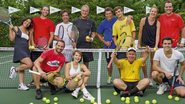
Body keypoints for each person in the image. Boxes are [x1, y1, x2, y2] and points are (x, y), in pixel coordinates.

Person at [28, 5, 55, 87]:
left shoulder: (51, 22)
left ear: (48, 12)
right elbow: (31, 33)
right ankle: (34, 81)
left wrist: (48, 45)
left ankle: (43, 81)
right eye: (44, 10)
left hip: (45, 49)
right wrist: (32, 44)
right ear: (41, 10)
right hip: (35, 48)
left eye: (47, 10)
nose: (45, 11)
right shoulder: (34, 20)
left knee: (44, 65)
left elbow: (51, 35)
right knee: (33, 65)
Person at [8, 17, 33, 90]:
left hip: (26, 51)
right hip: (19, 49)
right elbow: (12, 39)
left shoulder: (28, 31)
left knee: (22, 68)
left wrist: (31, 47)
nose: (27, 23)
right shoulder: (16, 28)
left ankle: (21, 85)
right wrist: (10, 29)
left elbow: (29, 43)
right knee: (29, 64)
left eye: (29, 22)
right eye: (26, 21)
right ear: (23, 21)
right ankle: (15, 69)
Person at [138, 5, 160, 86]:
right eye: (152, 11)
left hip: (153, 45)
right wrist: (139, 44)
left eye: (155, 12)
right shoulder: (143, 20)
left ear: (156, 13)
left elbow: (157, 35)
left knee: (152, 62)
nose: (153, 13)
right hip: (144, 45)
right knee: (143, 61)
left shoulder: (158, 22)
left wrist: (156, 46)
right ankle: (145, 77)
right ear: (150, 12)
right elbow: (140, 32)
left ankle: (150, 78)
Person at [96, 7, 117, 84]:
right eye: (107, 14)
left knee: (121, 62)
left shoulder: (116, 20)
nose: (108, 15)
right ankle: (110, 77)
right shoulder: (103, 23)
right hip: (107, 48)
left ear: (112, 13)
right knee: (109, 63)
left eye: (110, 13)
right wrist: (104, 42)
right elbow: (98, 33)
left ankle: (122, 77)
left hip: (118, 47)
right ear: (105, 15)